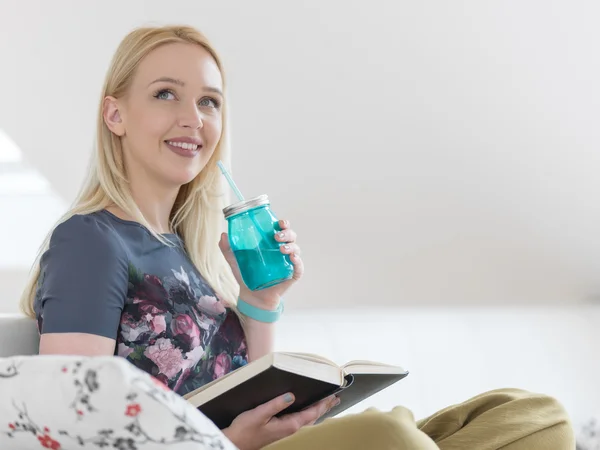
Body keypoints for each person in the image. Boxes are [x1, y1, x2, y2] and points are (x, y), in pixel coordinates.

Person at [19, 24, 575, 450]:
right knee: (393, 438)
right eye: (166, 94)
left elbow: (252, 391)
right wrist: (227, 444)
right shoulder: (90, 241)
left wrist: (260, 303)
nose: (194, 117)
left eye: (209, 101)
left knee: (532, 416)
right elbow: (69, 428)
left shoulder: (192, 251)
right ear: (115, 114)